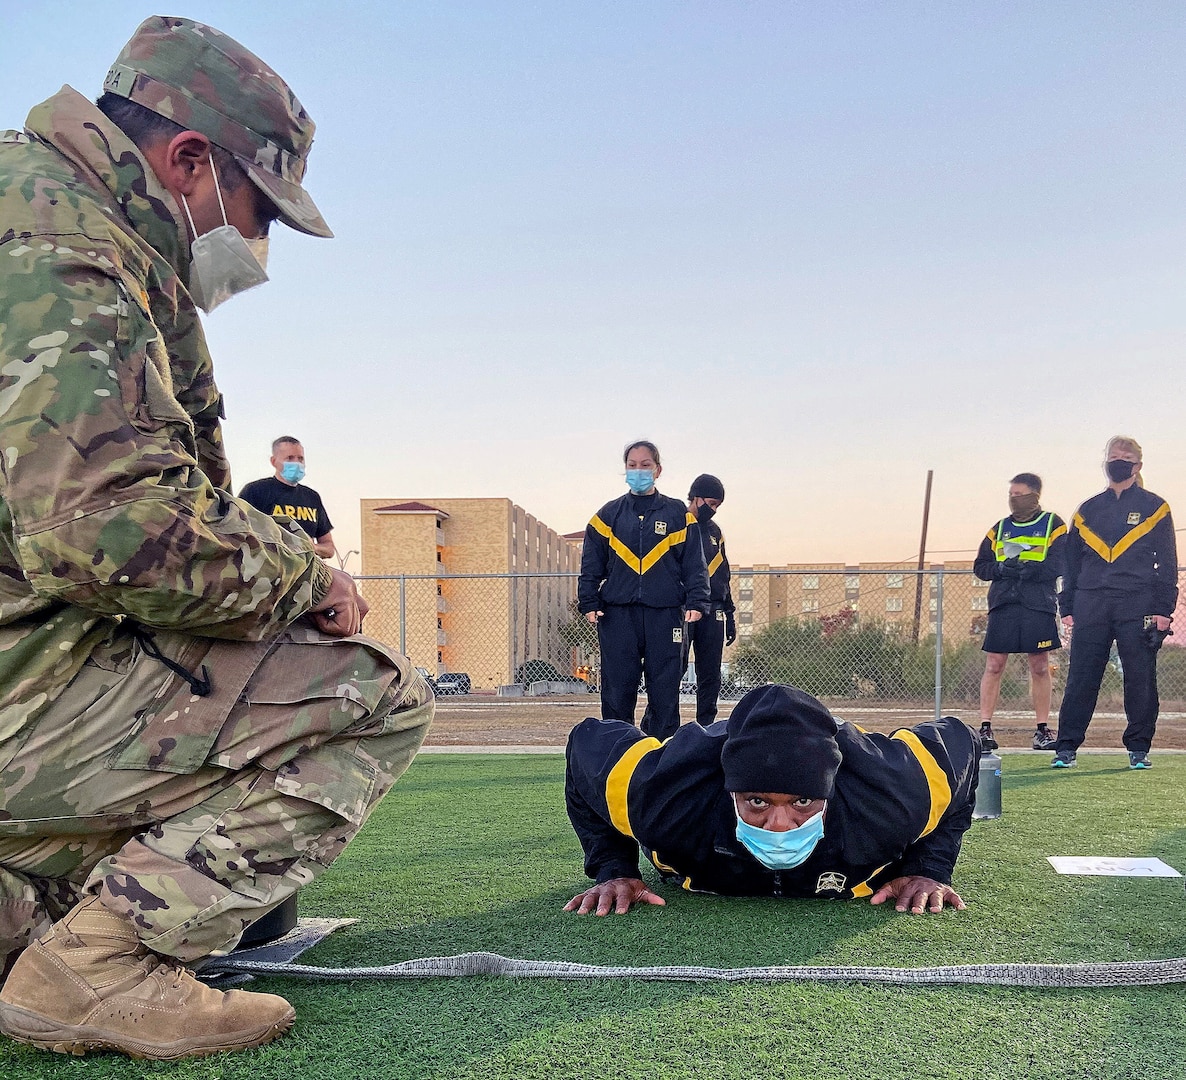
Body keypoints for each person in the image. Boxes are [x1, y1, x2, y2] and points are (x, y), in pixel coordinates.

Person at [0, 17, 433, 1060]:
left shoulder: (44, 209)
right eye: (257, 211)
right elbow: (109, 530)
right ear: (188, 158)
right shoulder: (61, 251)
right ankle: (94, 971)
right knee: (368, 693)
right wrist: (301, 578)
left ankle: (37, 922)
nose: (256, 247)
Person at [564, 684, 979, 916]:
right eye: (757, 803)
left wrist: (928, 867)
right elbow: (586, 743)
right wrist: (613, 869)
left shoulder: (895, 792)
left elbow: (961, 742)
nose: (780, 826)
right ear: (730, 792)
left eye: (802, 802)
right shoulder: (661, 796)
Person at [1052, 437, 1177, 770]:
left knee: (1139, 676)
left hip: (1138, 602)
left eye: (1125, 457)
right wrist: (1067, 607)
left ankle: (1138, 748)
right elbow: (1071, 564)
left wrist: (1164, 610)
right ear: (1105, 462)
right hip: (1091, 602)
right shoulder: (1087, 510)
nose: (1117, 461)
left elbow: (1167, 562)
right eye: (1113, 456)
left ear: (1137, 466)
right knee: (1081, 676)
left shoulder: (1156, 507)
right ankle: (1066, 747)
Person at [578, 441, 710, 741]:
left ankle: (662, 757)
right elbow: (591, 562)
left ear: (658, 470)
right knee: (616, 688)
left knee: (665, 689)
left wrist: (697, 600)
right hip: (617, 614)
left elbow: (694, 563)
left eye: (645, 465)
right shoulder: (606, 516)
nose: (639, 470)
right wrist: (589, 601)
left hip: (665, 614)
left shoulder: (679, 514)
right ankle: (615, 752)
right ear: (625, 469)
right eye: (633, 465)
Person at [973, 473, 1067, 751]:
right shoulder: (998, 529)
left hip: (1038, 604)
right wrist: (1000, 569)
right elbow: (981, 566)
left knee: (1040, 666)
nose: (1014, 499)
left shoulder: (1054, 524)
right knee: (994, 665)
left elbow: (1062, 563)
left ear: (1035, 496)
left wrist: (1034, 570)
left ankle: (1042, 731)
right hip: (1003, 604)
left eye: (1020, 494)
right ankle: (985, 729)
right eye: (1011, 495)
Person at [685, 474, 736, 725]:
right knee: (673, 668)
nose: (713, 510)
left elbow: (723, 573)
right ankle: (662, 726)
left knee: (710, 674)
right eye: (711, 503)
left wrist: (730, 612)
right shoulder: (678, 524)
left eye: (718, 506)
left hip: (713, 609)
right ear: (696, 497)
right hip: (683, 608)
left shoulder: (715, 532)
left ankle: (706, 727)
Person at [239, 436, 337, 558]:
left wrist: (313, 547)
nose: (296, 463)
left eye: (300, 459)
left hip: (305, 571)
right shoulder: (255, 491)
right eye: (290, 458)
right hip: (267, 570)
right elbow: (236, 534)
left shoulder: (312, 497)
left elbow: (329, 548)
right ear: (274, 461)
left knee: (343, 577)